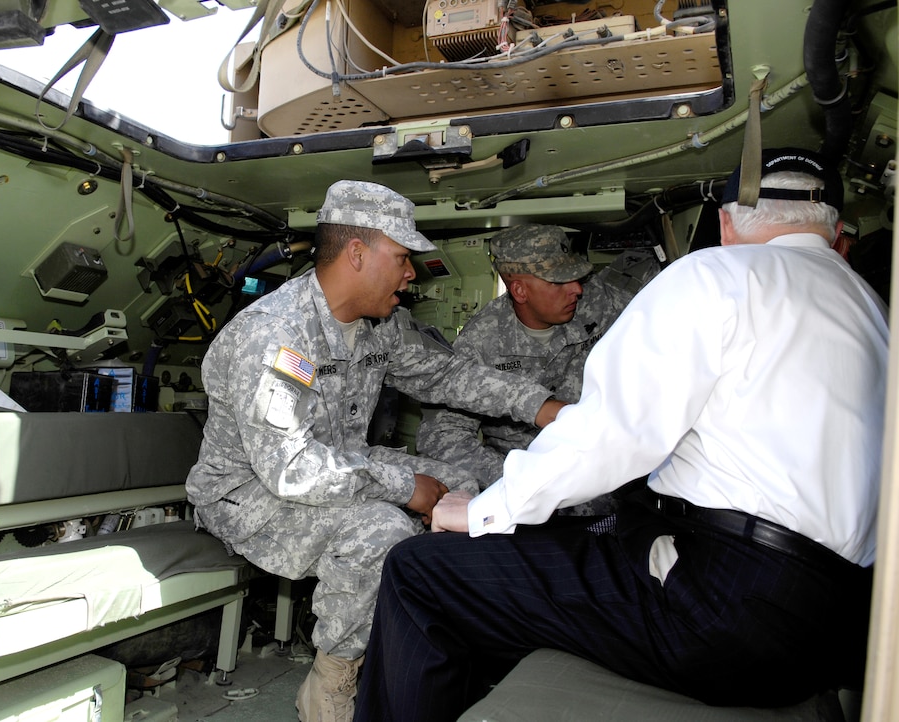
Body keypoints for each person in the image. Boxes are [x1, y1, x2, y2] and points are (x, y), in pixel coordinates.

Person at [353, 148, 888, 721]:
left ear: (727, 223)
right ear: (832, 228)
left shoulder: (715, 277)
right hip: (848, 617)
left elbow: (612, 431)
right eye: (557, 281)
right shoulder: (872, 306)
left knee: (419, 571)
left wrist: (488, 510)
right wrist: (497, 489)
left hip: (727, 607)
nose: (577, 290)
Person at [185, 180, 564, 722]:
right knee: (378, 529)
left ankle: (419, 641)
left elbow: (444, 374)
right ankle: (331, 684)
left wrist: (545, 409)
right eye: (403, 258)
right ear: (357, 254)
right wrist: (404, 488)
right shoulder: (275, 335)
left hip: (336, 464)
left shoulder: (377, 325)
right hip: (245, 495)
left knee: (466, 487)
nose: (411, 275)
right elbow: (291, 469)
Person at [417, 223, 659, 515]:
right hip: (536, 489)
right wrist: (521, 480)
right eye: (559, 282)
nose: (577, 289)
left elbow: (655, 340)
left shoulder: (599, 300)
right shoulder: (481, 342)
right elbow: (442, 437)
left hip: (615, 466)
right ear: (520, 290)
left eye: (577, 277)